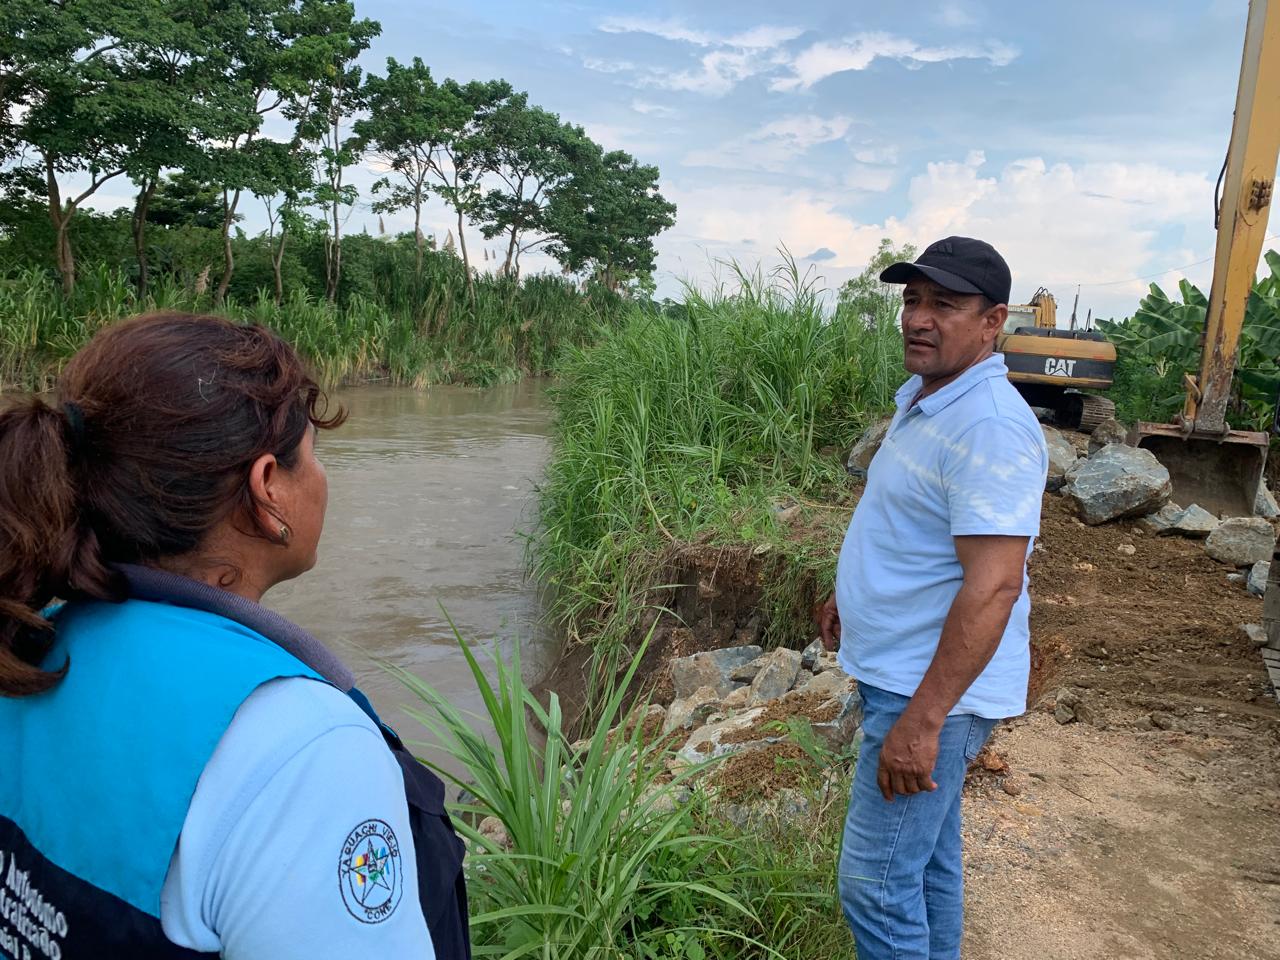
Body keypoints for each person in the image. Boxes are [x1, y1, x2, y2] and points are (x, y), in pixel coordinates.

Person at [0, 313, 470, 959]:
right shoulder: (304, 747)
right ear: (267, 488)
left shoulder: (26, 647)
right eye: (314, 455)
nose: (323, 478)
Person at [816, 237, 1048, 960]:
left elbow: (995, 584)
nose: (918, 318)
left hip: (928, 693)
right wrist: (849, 592)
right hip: (904, 675)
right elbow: (909, 525)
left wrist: (923, 720)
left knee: (875, 884)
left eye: (944, 304)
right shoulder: (932, 399)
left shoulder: (988, 426)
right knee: (927, 868)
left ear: (993, 322)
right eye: (913, 300)